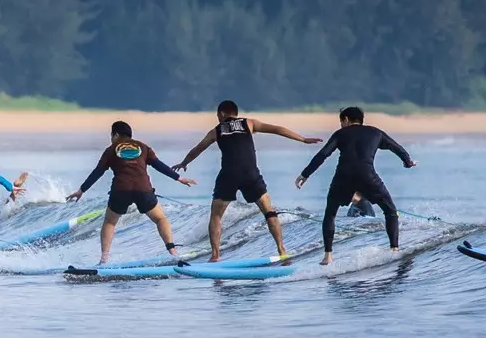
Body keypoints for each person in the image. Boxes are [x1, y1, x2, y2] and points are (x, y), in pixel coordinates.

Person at [173, 99, 319, 261]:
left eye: (217, 115)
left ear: (222, 114)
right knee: (269, 212)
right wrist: (303, 139)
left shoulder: (216, 130)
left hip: (229, 174)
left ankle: (215, 256)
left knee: (216, 216)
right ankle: (281, 249)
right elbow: (277, 129)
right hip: (251, 174)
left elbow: (198, 149)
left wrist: (184, 162)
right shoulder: (249, 123)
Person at [295, 106, 418, 266]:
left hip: (342, 176)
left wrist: (305, 174)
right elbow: (397, 148)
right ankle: (394, 250)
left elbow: (323, 154)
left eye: (341, 122)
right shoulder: (376, 132)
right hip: (367, 175)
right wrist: (408, 162)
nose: (341, 125)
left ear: (345, 119)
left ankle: (328, 256)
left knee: (330, 214)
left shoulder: (340, 134)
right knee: (390, 211)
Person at [68, 120, 195, 264]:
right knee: (160, 219)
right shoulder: (144, 147)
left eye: (111, 135)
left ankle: (104, 259)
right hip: (143, 189)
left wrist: (81, 190)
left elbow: (98, 172)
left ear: (115, 135)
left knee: (110, 222)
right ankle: (173, 251)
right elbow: (159, 165)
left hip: (120, 190)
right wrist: (179, 178)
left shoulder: (111, 149)